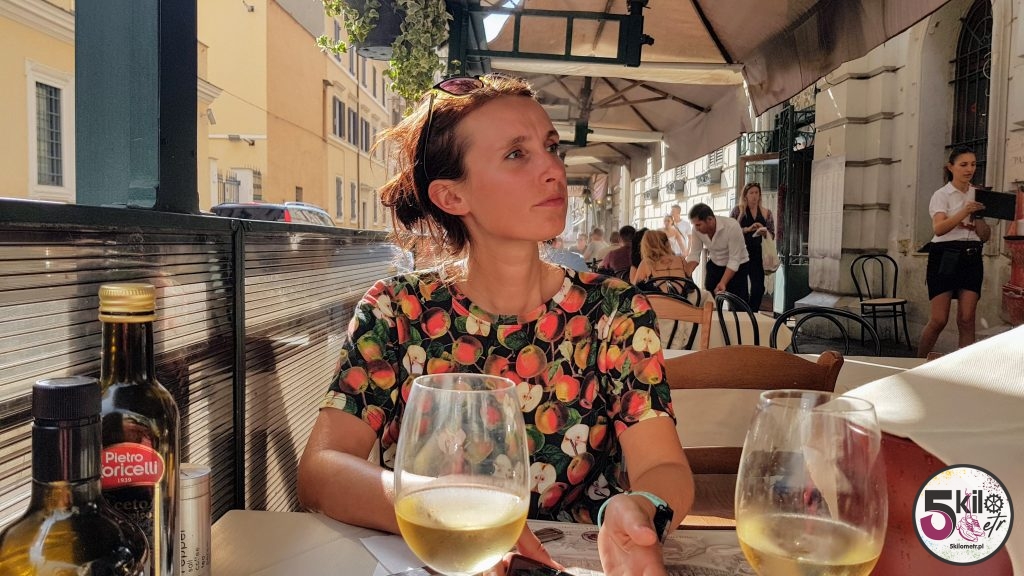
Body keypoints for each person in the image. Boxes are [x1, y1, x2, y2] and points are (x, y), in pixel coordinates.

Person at [296, 74, 693, 576]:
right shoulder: (397, 311)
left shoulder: (615, 311)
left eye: (551, 147)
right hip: (442, 560)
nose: (553, 169)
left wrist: (642, 507)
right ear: (451, 197)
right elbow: (320, 469)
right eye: (516, 154)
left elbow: (663, 466)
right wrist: (447, 514)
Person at [917, 146, 991, 358]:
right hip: (945, 255)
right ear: (951, 167)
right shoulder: (942, 195)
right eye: (963, 164)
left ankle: (964, 368)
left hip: (972, 254)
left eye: (973, 164)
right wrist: (964, 211)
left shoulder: (978, 194)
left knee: (967, 318)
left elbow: (985, 236)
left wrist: (978, 216)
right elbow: (939, 229)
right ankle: (916, 363)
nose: (969, 169)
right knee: (939, 319)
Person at [684, 203, 750, 300]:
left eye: (698, 225)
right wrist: (686, 273)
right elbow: (694, 253)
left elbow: (734, 260)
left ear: (709, 219)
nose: (696, 228)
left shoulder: (732, 226)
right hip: (716, 263)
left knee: (737, 302)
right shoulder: (696, 230)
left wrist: (723, 282)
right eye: (694, 225)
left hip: (739, 265)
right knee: (710, 298)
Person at [729, 183, 775, 311]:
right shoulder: (738, 211)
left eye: (756, 193)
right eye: (751, 193)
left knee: (758, 288)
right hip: (740, 253)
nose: (754, 196)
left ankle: (752, 312)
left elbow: (772, 233)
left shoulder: (766, 213)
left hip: (758, 253)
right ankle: (740, 314)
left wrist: (764, 232)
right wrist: (747, 229)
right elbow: (730, 231)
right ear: (745, 195)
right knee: (740, 288)